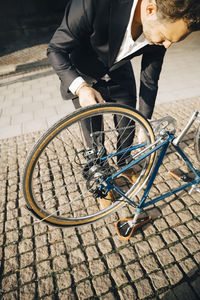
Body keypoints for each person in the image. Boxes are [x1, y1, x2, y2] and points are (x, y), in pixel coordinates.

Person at [47, 0, 200, 207]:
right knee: (94, 139)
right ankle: (100, 180)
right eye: (165, 37)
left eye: (172, 41)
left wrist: (145, 124)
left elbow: (149, 80)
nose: (166, 45)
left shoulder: (161, 23)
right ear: (150, 10)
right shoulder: (92, 4)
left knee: (128, 126)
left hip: (120, 74)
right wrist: (80, 88)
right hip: (84, 76)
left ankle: (125, 164)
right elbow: (55, 49)